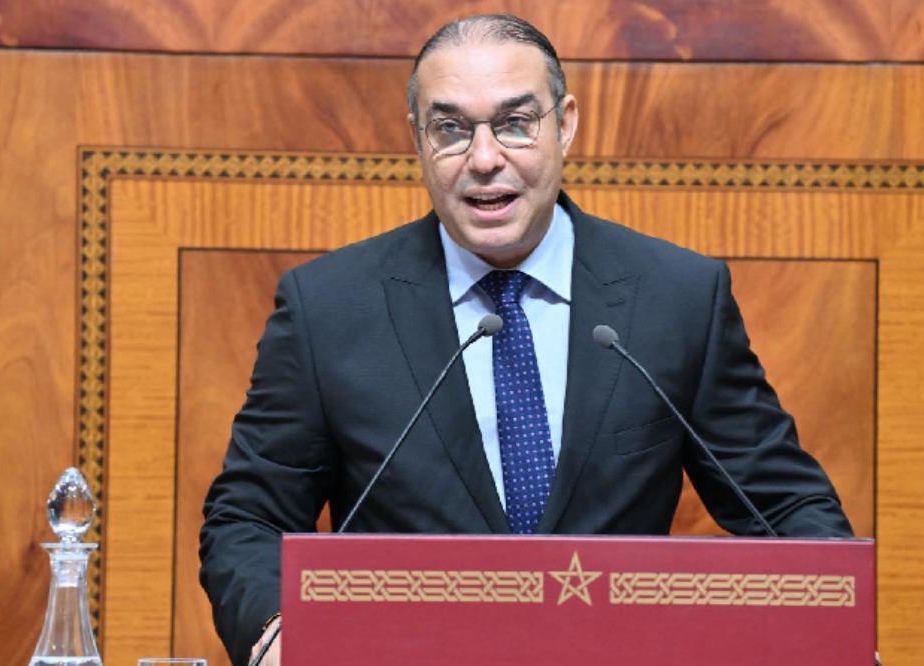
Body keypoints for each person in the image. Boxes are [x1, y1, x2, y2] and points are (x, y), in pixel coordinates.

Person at [199, 14, 853, 666]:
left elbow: (785, 506)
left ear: (564, 124)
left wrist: (835, 634)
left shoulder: (676, 298)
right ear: (417, 139)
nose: (485, 160)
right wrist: (276, 632)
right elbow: (249, 518)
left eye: (515, 123)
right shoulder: (329, 309)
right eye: (451, 130)